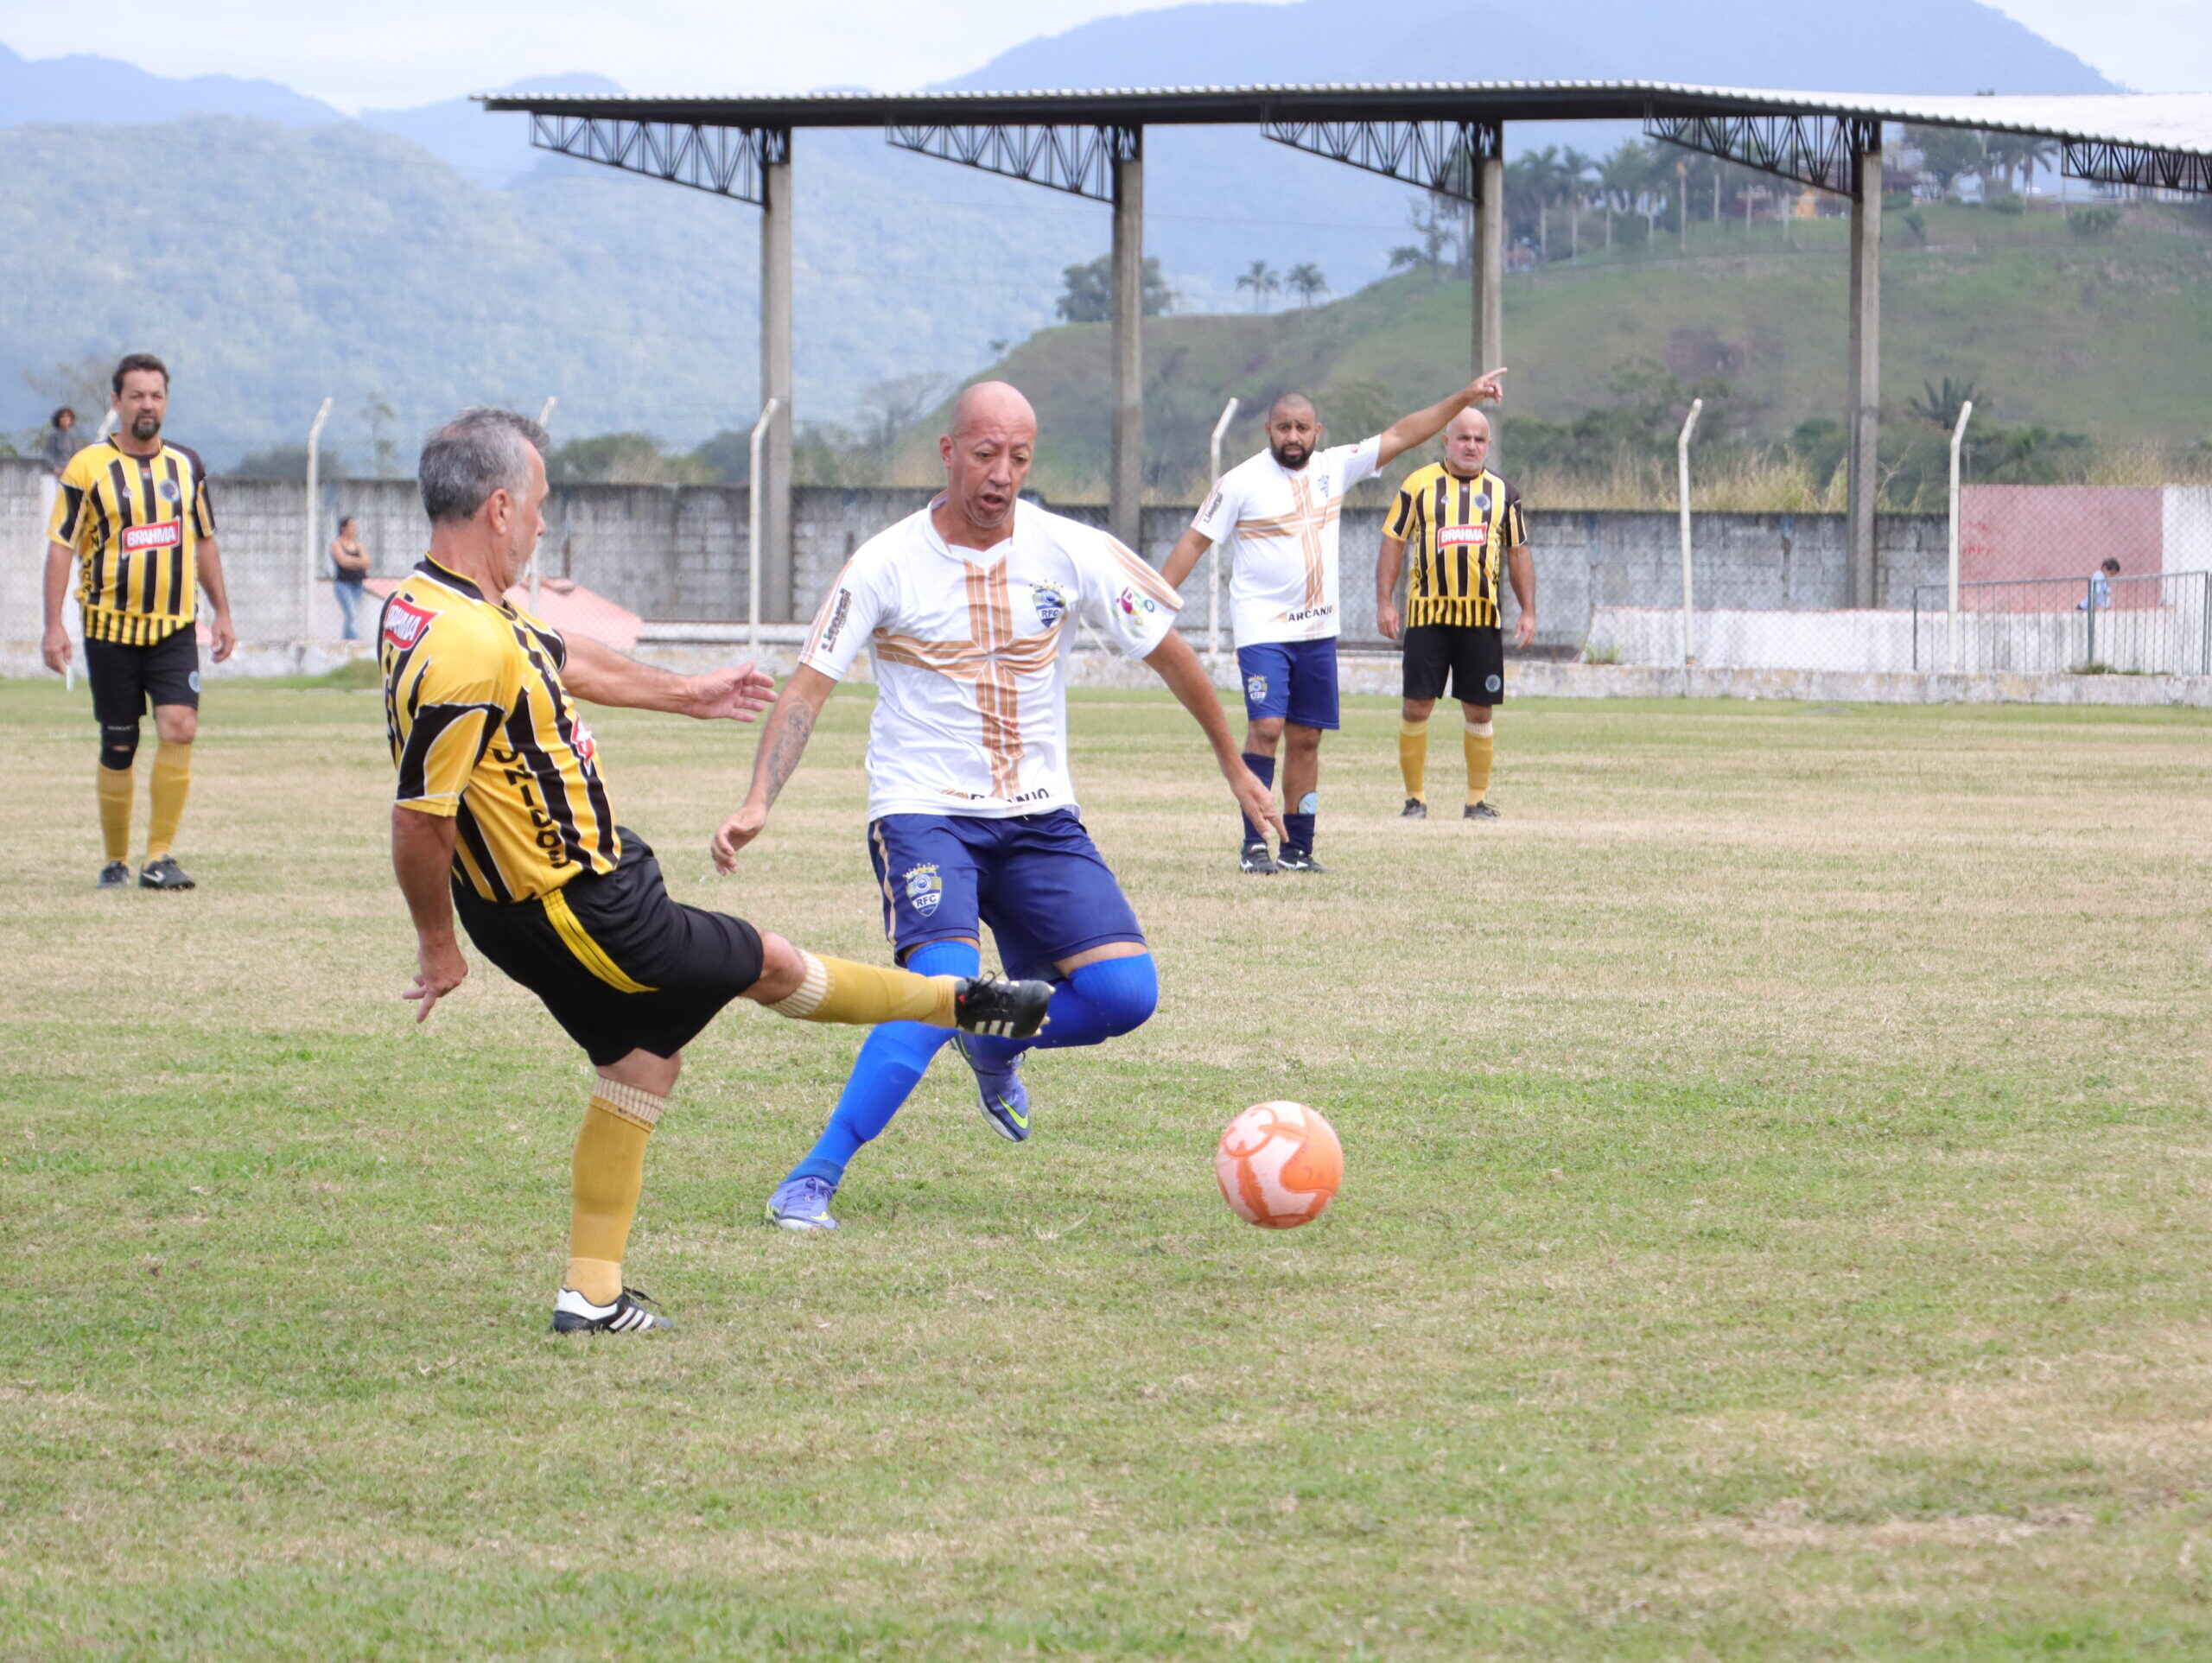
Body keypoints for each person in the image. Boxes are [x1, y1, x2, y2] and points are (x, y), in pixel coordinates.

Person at [384, 408, 1054, 1333]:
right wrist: (436, 947)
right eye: (538, 504)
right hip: (577, 903)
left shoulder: (440, 603)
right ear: (499, 507)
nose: (543, 522)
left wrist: (688, 694)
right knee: (768, 963)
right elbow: (421, 814)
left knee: (642, 1062)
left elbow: (559, 655)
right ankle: (966, 1006)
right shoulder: (464, 644)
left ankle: (590, 1293)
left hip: (566, 889)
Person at [711, 381, 1281, 1233]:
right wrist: (760, 798)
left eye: (1019, 456)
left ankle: (993, 1037)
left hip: (1040, 817)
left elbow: (1167, 652)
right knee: (939, 985)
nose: (1001, 474)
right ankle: (812, 1176)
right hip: (923, 812)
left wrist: (1234, 763)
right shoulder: (884, 563)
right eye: (985, 453)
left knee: (1126, 993)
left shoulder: (1068, 548)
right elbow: (806, 688)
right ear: (948, 452)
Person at [1159, 368, 1509, 874]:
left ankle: (1298, 848)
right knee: (1267, 726)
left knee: (1307, 738)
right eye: (1284, 428)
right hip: (1263, 629)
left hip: (1317, 631)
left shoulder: (1332, 468)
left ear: (1316, 432)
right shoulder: (1239, 482)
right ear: (1269, 432)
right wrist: (1155, 603)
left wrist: (1466, 397)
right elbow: (1195, 540)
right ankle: (1255, 842)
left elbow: (1404, 433)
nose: (1294, 437)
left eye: (1303, 428)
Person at [41, 354, 238, 891]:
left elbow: (205, 541)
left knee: (180, 727)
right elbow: (61, 547)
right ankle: (114, 861)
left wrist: (221, 611)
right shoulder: (86, 468)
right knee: (119, 743)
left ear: (165, 402)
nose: (147, 404)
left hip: (174, 627)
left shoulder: (187, 467)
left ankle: (159, 857)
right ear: (117, 403)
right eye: (136, 396)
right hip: (109, 630)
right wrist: (53, 625)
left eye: (156, 395)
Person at [1376, 407, 1534, 821]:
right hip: (1427, 615)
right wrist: (1386, 602)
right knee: (1416, 706)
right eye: (1463, 438)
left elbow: (1518, 552)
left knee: (1479, 710)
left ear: (1488, 445)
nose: (1471, 446)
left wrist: (1529, 611)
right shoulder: (1419, 485)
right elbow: (1393, 541)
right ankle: (1415, 800)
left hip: (1481, 619)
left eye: (1479, 439)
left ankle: (1476, 801)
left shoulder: (1504, 493)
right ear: (1446, 441)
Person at [331, 515, 371, 640]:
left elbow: (367, 562)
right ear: (344, 528)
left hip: (357, 584)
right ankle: (353, 640)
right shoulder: (336, 544)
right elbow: (342, 561)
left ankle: (347, 641)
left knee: (354, 615)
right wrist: (358, 562)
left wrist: (351, 561)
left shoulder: (358, 545)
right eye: (352, 526)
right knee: (351, 613)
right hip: (343, 585)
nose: (354, 529)